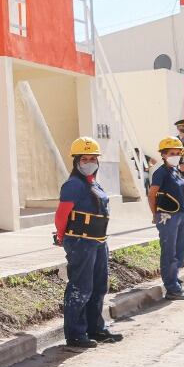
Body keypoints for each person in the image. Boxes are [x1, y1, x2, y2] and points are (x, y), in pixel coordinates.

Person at [53, 137, 123, 350]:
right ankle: (75, 333)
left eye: (93, 158)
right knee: (81, 287)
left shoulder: (93, 182)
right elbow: (61, 215)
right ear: (76, 161)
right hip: (81, 242)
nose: (90, 162)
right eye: (85, 159)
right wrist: (62, 236)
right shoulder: (73, 185)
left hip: (99, 241)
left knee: (99, 286)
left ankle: (95, 328)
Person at [149, 135, 184, 301]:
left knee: (180, 251)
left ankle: (175, 281)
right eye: (172, 153)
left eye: (178, 152)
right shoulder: (160, 173)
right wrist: (155, 214)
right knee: (169, 252)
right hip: (167, 216)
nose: (176, 155)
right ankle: (171, 288)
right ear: (163, 155)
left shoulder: (176, 171)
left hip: (181, 214)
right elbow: (152, 193)